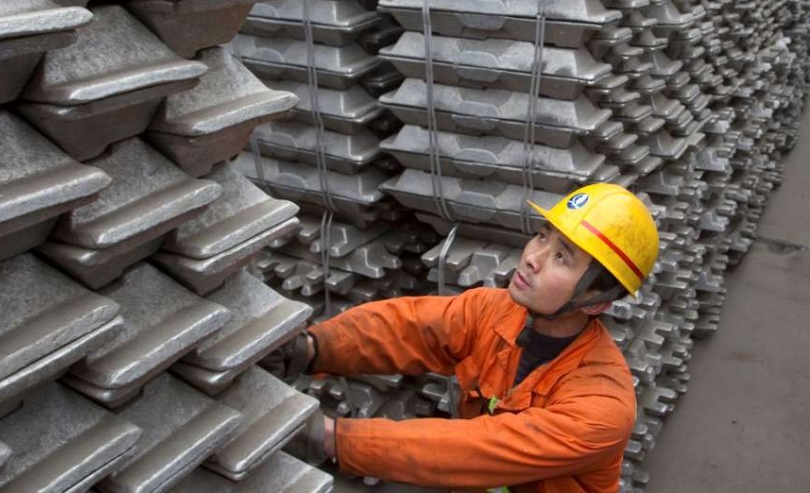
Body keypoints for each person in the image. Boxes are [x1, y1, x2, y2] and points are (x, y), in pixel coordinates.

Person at [263, 182, 659, 493]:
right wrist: (312, 348)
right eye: (542, 236)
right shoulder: (495, 310)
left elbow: (473, 448)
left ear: (596, 302)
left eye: (562, 257)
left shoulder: (602, 406)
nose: (532, 257)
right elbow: (410, 328)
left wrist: (330, 439)